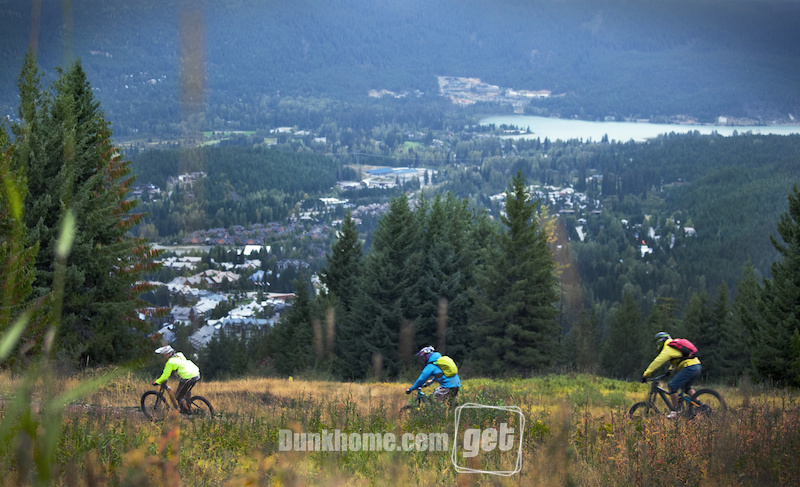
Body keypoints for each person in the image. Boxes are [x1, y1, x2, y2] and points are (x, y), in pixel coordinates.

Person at [641, 332, 702, 419]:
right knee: (686, 388)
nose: (657, 345)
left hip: (690, 367)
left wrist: (645, 375)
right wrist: (669, 370)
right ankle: (702, 406)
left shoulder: (668, 348)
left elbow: (657, 362)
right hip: (697, 366)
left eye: (657, 343)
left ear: (661, 341)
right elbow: (678, 359)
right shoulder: (674, 346)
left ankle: (675, 411)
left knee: (672, 386)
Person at [153, 345, 201, 414]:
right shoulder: (179, 355)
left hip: (188, 376)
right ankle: (187, 404)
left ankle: (187, 411)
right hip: (195, 373)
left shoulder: (170, 362)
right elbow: (180, 364)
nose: (162, 357)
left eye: (163, 355)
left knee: (179, 396)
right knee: (186, 391)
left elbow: (165, 376)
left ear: (169, 354)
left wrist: (156, 382)